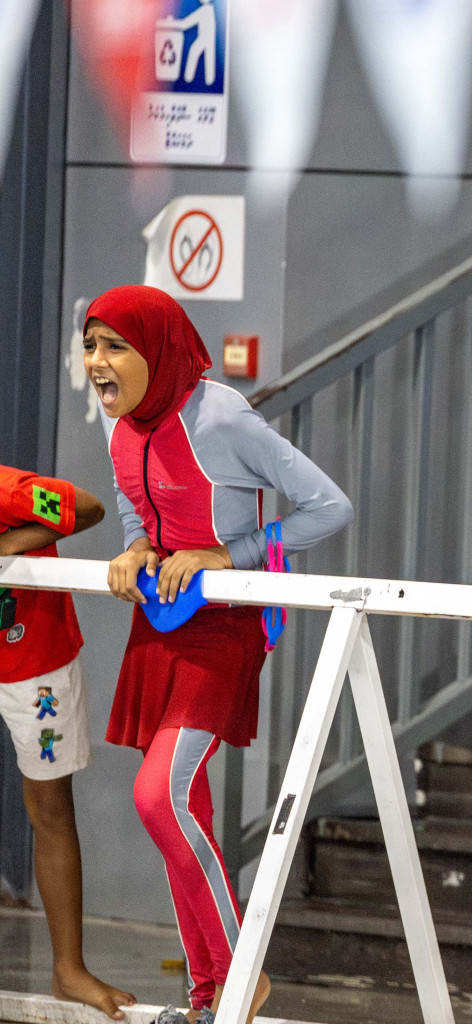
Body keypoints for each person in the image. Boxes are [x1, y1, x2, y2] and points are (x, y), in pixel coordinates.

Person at [87, 285, 353, 1024]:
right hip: (162, 627)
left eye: (115, 347)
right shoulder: (121, 428)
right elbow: (143, 509)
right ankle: (209, 1000)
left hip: (226, 628)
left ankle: (242, 975)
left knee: (157, 796)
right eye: (90, 346)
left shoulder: (223, 418)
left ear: (160, 350)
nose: (97, 364)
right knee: (182, 806)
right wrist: (139, 543)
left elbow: (330, 506)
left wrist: (226, 555)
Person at [0, 465, 136, 1020]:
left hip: (36, 664)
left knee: (50, 808)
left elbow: (88, 509)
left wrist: (7, 544)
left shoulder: (9, 491)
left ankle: (68, 970)